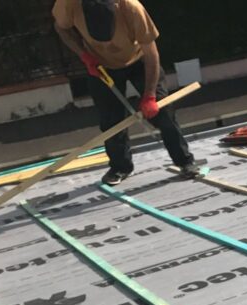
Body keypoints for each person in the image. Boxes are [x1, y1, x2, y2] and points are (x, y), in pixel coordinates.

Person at [53, 0, 198, 185]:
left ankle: (184, 161)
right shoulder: (68, 3)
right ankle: (120, 167)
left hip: (138, 59)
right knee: (111, 121)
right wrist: (84, 55)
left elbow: (151, 54)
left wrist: (150, 95)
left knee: (163, 111)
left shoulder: (131, 8)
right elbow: (61, 28)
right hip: (100, 64)